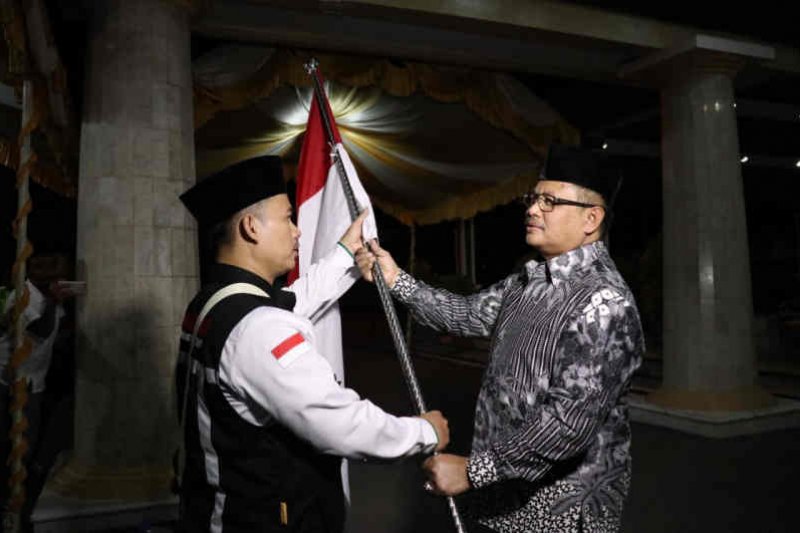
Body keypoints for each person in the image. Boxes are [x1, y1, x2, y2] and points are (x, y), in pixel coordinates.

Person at [356, 144, 645, 532]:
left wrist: (473, 472)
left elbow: (566, 426)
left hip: (558, 509)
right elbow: (466, 314)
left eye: (549, 201)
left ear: (591, 219)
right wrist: (395, 279)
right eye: (532, 198)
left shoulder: (603, 302)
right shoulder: (529, 278)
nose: (531, 209)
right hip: (503, 496)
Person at [175, 155, 449, 533]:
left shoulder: (216, 301)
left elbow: (289, 304)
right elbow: (339, 424)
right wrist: (423, 433)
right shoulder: (258, 327)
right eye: (287, 218)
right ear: (251, 227)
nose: (297, 231)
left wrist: (342, 255)